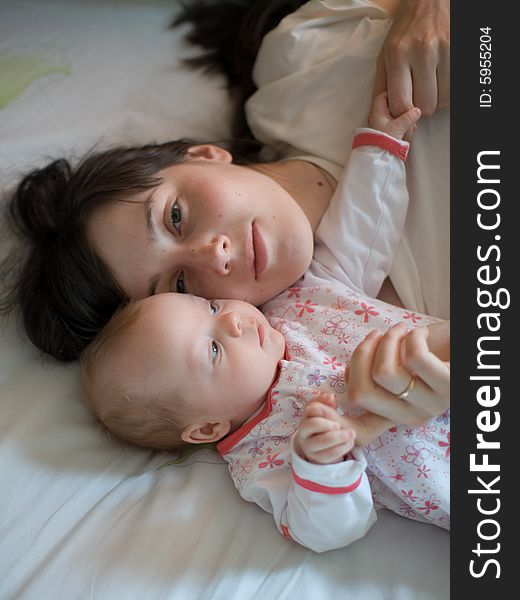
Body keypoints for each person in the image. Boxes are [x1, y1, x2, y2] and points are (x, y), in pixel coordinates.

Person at [79, 96, 450, 552]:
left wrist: (378, 150)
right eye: (212, 350)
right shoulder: (262, 455)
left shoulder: (299, 299)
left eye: (211, 309)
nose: (232, 323)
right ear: (207, 429)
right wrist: (321, 465)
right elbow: (328, 531)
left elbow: (361, 236)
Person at [0, 0, 449, 363]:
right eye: (179, 286)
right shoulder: (392, 334)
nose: (211, 256)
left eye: (175, 217)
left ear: (202, 154)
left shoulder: (302, 63)